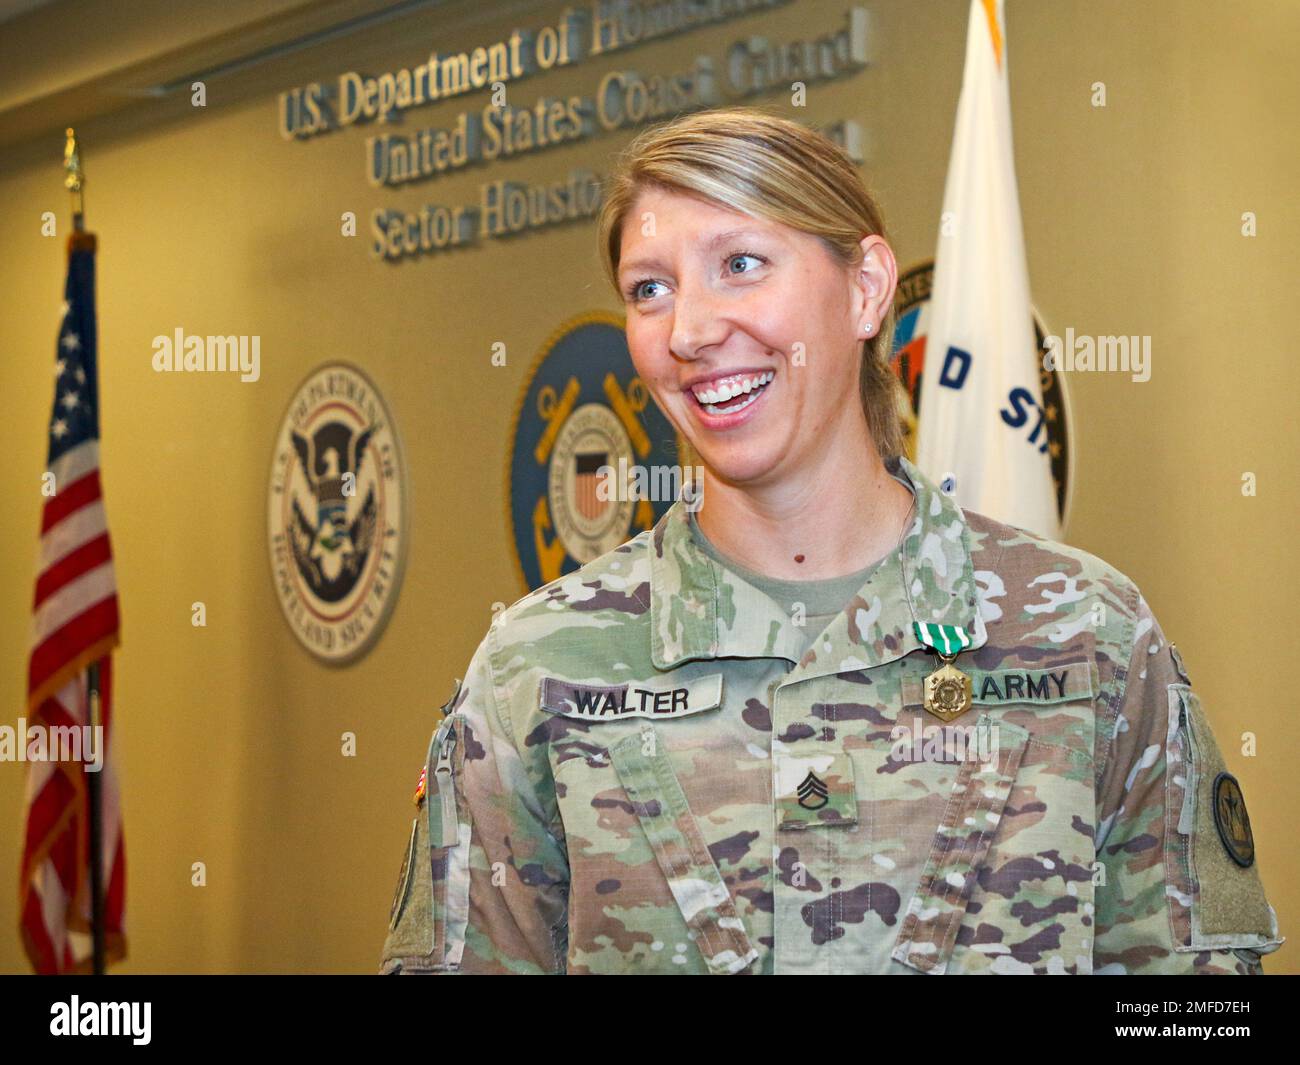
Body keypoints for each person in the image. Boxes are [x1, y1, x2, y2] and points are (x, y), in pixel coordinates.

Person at [379, 107, 1283, 974]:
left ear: (866, 287)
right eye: (650, 289)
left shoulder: (1088, 637)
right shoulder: (540, 667)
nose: (689, 330)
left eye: (740, 262)